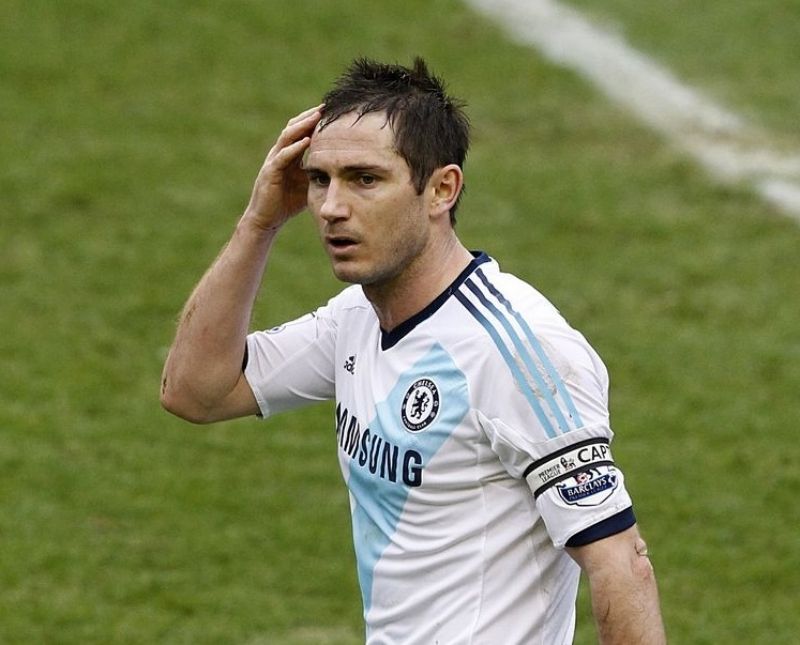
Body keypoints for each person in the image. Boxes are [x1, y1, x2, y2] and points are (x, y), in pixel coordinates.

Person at [161, 57, 666, 644]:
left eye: (365, 179)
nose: (331, 207)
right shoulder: (356, 317)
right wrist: (258, 222)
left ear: (441, 190)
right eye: (320, 179)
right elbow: (196, 392)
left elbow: (621, 564)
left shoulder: (517, 351)